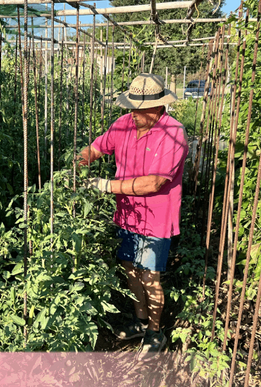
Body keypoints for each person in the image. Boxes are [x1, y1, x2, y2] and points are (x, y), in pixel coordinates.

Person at [77, 73, 188, 353]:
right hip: (127, 214)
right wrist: (75, 164)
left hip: (156, 218)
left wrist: (106, 186)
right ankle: (140, 322)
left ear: (159, 107)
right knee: (130, 269)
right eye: (132, 108)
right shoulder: (123, 124)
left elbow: (154, 182)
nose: (134, 114)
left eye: (140, 109)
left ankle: (155, 331)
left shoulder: (173, 133)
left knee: (150, 276)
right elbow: (96, 147)